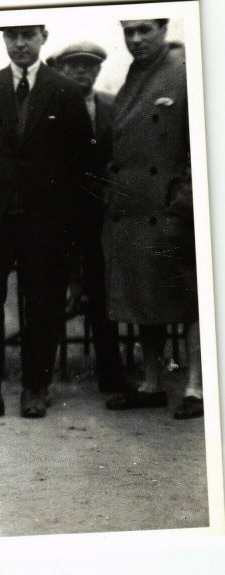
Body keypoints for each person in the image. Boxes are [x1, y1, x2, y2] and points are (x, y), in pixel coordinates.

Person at [0, 24, 94, 422]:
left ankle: (35, 389)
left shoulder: (64, 91)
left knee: (43, 305)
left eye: (27, 35)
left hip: (45, 221)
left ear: (43, 37)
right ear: (4, 41)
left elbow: (82, 157)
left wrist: (53, 195)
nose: (20, 43)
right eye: (11, 36)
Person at [101, 20, 201, 419]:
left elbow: (203, 142)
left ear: (163, 28)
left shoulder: (183, 71)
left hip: (170, 208)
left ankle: (196, 387)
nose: (136, 40)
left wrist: (185, 203)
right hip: (135, 208)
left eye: (145, 30)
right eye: (129, 32)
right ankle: (152, 382)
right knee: (144, 295)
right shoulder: (135, 75)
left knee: (190, 298)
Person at [53, 42, 125, 393]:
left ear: (98, 70)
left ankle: (110, 373)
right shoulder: (49, 106)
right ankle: (43, 376)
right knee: (53, 292)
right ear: (63, 70)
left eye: (89, 66)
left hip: (101, 210)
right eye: (75, 65)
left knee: (102, 289)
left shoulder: (112, 104)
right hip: (59, 211)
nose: (82, 71)